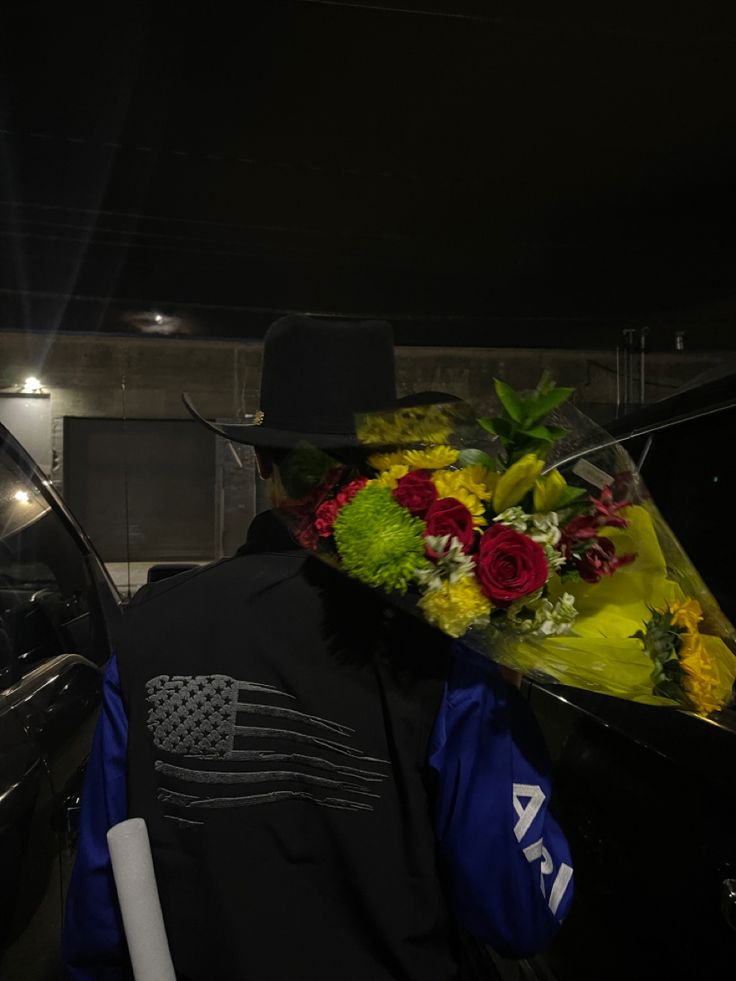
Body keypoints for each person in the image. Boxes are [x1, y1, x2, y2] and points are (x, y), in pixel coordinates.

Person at [62, 315, 573, 980]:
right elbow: (521, 910)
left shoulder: (153, 630)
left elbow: (101, 909)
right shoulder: (441, 643)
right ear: (391, 464)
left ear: (260, 459)